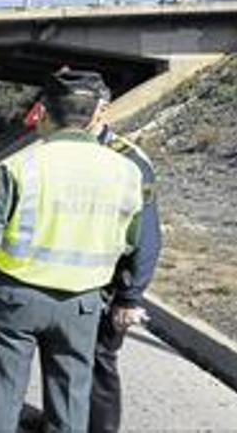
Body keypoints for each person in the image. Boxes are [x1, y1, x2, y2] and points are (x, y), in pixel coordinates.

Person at [0, 69, 145, 432]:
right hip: (82, 305)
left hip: (14, 301)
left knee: (4, 396)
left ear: (44, 111)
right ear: (96, 114)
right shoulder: (128, 172)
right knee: (69, 399)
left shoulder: (20, 167)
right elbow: (131, 240)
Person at [88, 117, 162, 432]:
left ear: (100, 111)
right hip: (73, 280)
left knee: (99, 359)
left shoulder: (129, 160)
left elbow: (147, 236)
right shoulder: (70, 150)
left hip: (107, 285)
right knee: (64, 359)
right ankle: (60, 422)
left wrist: (129, 297)